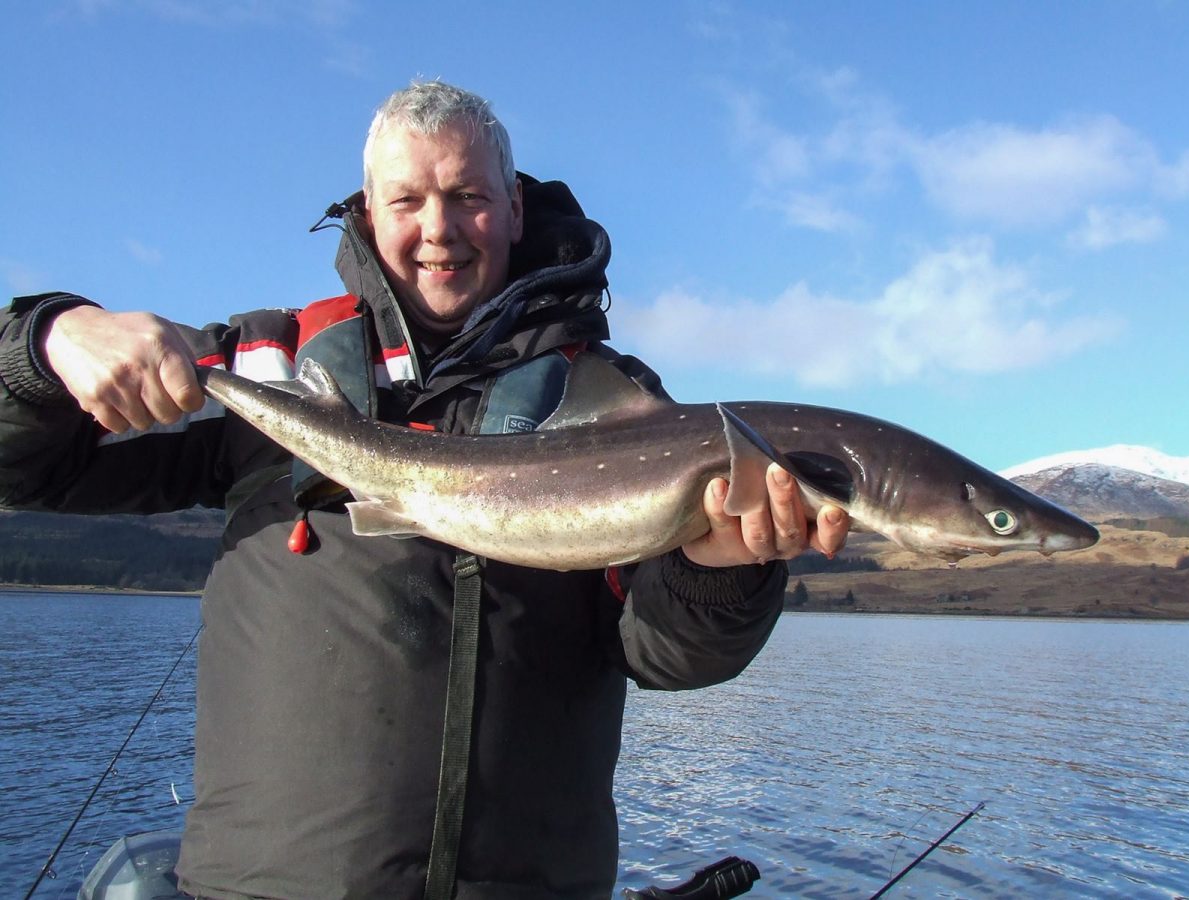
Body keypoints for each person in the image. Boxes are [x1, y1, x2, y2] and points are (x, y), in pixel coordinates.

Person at [0, 81, 847, 899]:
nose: (438, 229)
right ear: (367, 212)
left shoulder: (614, 407)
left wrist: (722, 571)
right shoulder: (267, 368)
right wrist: (44, 344)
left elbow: (663, 653)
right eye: (407, 200)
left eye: (469, 194)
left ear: (515, 208)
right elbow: (31, 466)